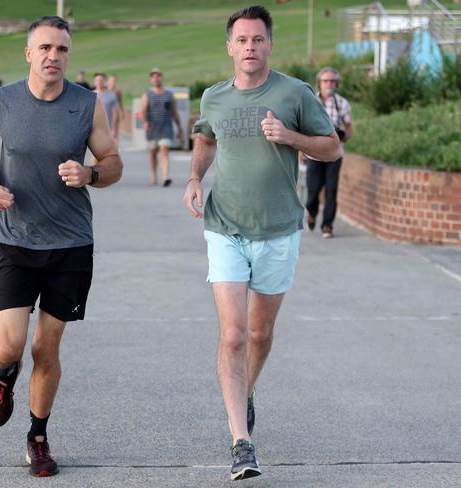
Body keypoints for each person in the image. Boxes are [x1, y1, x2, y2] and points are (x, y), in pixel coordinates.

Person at [183, 5, 340, 481]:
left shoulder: (295, 93)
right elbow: (206, 140)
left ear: (270, 44)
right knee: (232, 335)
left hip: (278, 231)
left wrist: (290, 136)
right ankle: (241, 441)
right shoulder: (214, 97)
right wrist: (194, 177)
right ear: (229, 47)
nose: (250, 47)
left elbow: (332, 147)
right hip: (224, 226)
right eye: (242, 40)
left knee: (259, 335)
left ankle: (245, 393)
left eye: (258, 39)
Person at [0, 15, 122, 478]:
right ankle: (2, 377)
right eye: (46, 48)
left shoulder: (86, 104)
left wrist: (90, 174)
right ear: (29, 54)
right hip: (17, 242)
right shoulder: (2, 101)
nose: (54, 57)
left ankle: (37, 436)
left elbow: (112, 162)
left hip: (71, 245)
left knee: (45, 351)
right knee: (10, 347)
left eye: (63, 50)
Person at [302, 67, 353, 239]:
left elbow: (349, 127)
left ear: (336, 83)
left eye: (332, 81)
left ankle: (327, 225)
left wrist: (343, 138)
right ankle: (312, 212)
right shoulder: (309, 100)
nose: (329, 84)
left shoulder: (342, 103)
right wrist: (300, 149)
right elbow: (301, 126)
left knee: (332, 189)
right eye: (325, 81)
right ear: (319, 83)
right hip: (313, 151)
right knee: (313, 188)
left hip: (335, 153)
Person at [140, 68, 183, 187]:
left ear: (161, 77)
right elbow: (142, 110)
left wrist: (179, 129)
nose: (156, 78)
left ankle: (165, 177)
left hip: (166, 128)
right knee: (153, 153)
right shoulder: (147, 94)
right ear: (151, 79)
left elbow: (175, 113)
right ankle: (154, 177)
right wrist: (145, 122)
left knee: (164, 151)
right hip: (152, 129)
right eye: (153, 76)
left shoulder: (169, 95)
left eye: (158, 76)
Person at [93, 72, 120, 143]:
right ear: (94, 82)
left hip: (108, 130)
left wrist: (114, 130)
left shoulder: (111, 95)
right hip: (94, 130)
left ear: (105, 81)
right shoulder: (90, 95)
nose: (99, 82)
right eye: (97, 80)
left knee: (106, 152)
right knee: (95, 153)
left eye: (101, 80)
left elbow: (115, 114)